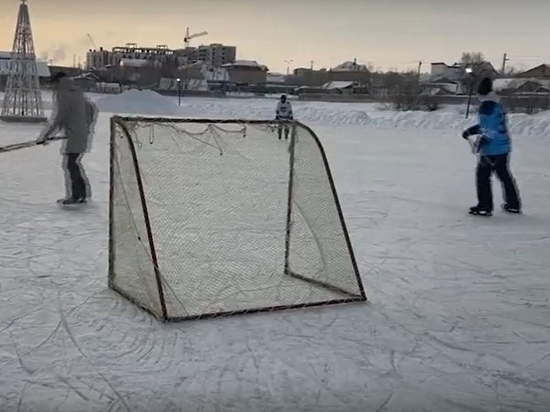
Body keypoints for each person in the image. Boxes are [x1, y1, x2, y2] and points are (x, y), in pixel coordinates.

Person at [462, 77, 521, 216]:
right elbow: (489, 126)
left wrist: (479, 145)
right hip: (504, 146)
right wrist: (471, 131)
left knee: (483, 176)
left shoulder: (485, 107)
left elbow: (489, 131)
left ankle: (484, 206)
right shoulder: (497, 105)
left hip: (492, 149)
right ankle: (513, 204)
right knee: (504, 175)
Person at [37, 72, 97, 205]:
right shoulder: (76, 91)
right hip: (81, 132)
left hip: (75, 134)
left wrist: (46, 136)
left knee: (71, 163)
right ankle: (82, 193)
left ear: (57, 82)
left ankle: (77, 195)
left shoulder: (63, 94)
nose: (52, 88)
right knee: (73, 162)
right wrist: (86, 125)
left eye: (53, 84)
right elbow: (91, 109)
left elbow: (60, 117)